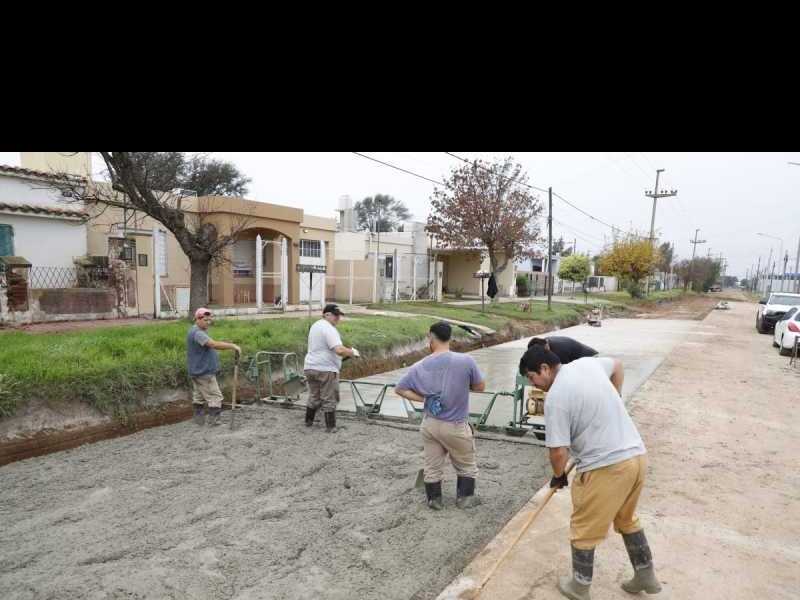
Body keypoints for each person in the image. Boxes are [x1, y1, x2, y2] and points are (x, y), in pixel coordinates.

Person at [518, 346, 661, 600]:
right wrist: (616, 397)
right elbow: (617, 364)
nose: (534, 384)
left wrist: (559, 475)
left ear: (544, 368)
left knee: (583, 527)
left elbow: (558, 452)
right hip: (636, 457)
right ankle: (646, 575)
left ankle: (580, 586)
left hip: (607, 467)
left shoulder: (556, 398)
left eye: (532, 378)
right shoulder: (586, 364)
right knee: (626, 518)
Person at [395, 322, 486, 510]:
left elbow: (400, 389)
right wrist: (461, 386)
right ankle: (465, 498)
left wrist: (423, 399)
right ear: (450, 338)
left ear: (431, 337)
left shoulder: (419, 366)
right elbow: (480, 387)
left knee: (432, 464)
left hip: (430, 424)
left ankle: (434, 499)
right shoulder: (466, 361)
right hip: (455, 424)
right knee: (466, 463)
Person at [304, 304, 360, 433]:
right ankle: (331, 427)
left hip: (310, 366)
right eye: (335, 315)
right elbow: (339, 350)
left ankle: (308, 422)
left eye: (339, 315)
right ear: (326, 314)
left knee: (314, 396)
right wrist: (352, 352)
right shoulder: (328, 328)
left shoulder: (316, 326)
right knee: (330, 398)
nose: (338, 318)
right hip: (325, 369)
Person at [187, 308, 241, 426]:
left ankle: (199, 420)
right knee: (215, 396)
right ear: (198, 319)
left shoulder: (196, 330)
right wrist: (232, 346)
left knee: (199, 396)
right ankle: (214, 421)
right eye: (206, 320)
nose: (208, 322)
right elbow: (213, 344)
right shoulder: (198, 333)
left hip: (197, 370)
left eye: (209, 320)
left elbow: (211, 343)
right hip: (204, 372)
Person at [527, 336, 598, 365]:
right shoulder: (543, 341)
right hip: (578, 358)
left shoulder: (559, 351)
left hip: (591, 358)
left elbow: (563, 371)